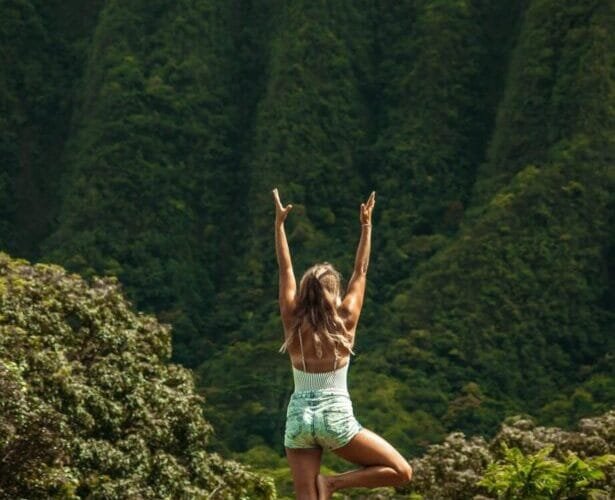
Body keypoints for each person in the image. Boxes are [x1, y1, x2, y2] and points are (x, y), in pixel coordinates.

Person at [272, 188, 413, 500]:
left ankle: (323, 488)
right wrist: (366, 226)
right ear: (334, 293)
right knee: (402, 472)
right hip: (335, 419)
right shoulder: (346, 319)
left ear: (305, 292)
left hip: (298, 419)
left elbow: (286, 270)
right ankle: (333, 484)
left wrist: (280, 225)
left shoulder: (292, 321)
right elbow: (360, 272)